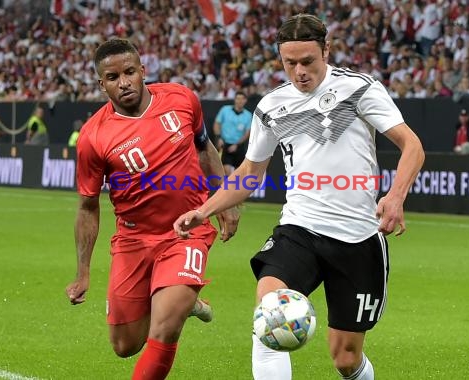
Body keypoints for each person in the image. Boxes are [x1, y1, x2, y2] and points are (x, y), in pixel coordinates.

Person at [174, 14, 425, 380]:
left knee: (346, 359)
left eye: (307, 61)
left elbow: (412, 146)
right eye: (289, 62)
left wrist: (396, 196)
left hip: (358, 239)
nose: (299, 71)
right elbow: (248, 174)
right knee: (269, 315)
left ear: (327, 50)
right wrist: (204, 210)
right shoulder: (272, 106)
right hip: (299, 229)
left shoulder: (359, 89)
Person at [65, 38, 239, 380]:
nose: (124, 82)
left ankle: (178, 301)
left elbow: (205, 150)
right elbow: (87, 207)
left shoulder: (181, 99)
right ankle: (187, 303)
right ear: (102, 84)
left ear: (143, 70)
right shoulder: (93, 137)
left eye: (130, 72)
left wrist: (225, 201)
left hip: (187, 231)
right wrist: (83, 270)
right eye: (113, 77)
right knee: (125, 345)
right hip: (133, 240)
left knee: (163, 329)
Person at [212, 91, 253, 175]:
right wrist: (219, 137)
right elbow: (217, 124)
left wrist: (237, 145)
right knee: (227, 171)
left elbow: (247, 133)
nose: (240, 101)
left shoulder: (248, 115)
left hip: (239, 146)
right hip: (225, 144)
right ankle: (226, 187)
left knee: (240, 173)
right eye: (238, 99)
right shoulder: (225, 110)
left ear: (245, 101)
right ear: (234, 100)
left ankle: (236, 187)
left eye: (242, 99)